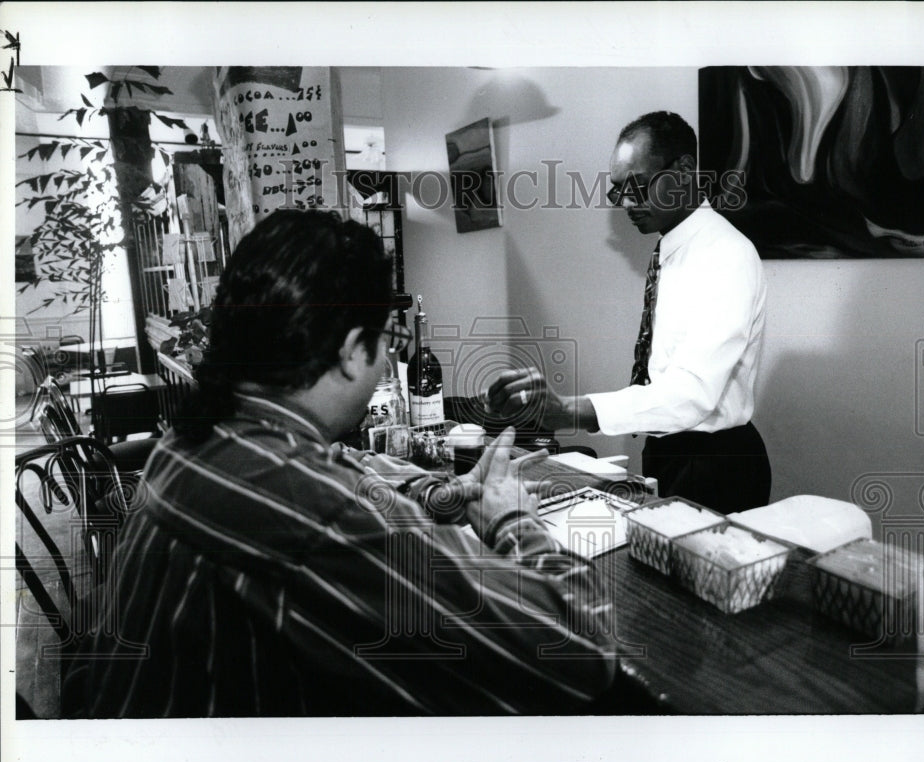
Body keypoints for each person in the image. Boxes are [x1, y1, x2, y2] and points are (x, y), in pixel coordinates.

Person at [67, 209, 619, 717]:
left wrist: (445, 494)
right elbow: (578, 650)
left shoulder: (198, 436)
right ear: (355, 350)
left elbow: (341, 463)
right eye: (386, 342)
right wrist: (509, 518)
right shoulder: (311, 512)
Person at [488, 111, 771, 514]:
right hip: (667, 452)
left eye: (638, 187)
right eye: (618, 191)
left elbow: (694, 393)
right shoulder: (671, 249)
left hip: (715, 465)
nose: (626, 203)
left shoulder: (726, 255)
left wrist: (571, 410)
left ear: (686, 170)